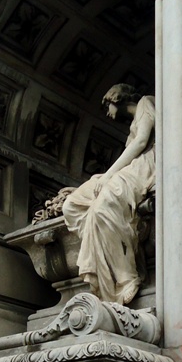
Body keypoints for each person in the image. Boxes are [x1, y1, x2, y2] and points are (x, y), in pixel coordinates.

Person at [62, 84, 155, 305]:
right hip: (127, 170)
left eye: (107, 106)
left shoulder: (146, 102)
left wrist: (108, 176)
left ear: (117, 98)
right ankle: (102, 247)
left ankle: (126, 277)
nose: (106, 113)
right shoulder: (132, 123)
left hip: (146, 167)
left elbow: (142, 141)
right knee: (71, 205)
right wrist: (97, 180)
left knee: (102, 207)